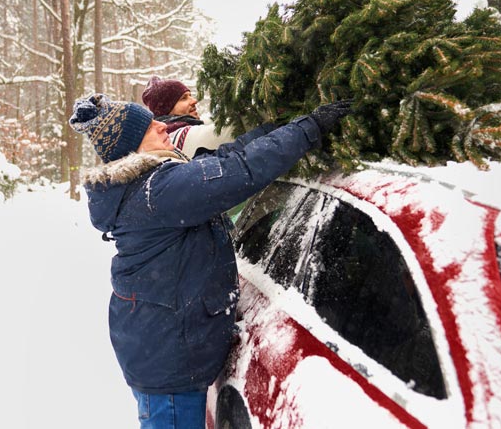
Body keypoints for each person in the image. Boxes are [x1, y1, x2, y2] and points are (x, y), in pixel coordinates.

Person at [68, 93, 353, 429]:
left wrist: (274, 127)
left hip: (157, 344)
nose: (161, 125)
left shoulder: (149, 182)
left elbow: (225, 157)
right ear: (132, 146)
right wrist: (310, 127)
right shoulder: (158, 191)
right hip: (167, 363)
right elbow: (239, 171)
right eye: (148, 125)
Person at [141, 75, 234, 158]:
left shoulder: (184, 127)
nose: (194, 101)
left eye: (190, 96)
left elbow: (208, 121)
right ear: (166, 108)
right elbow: (231, 130)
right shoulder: (178, 136)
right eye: (184, 98)